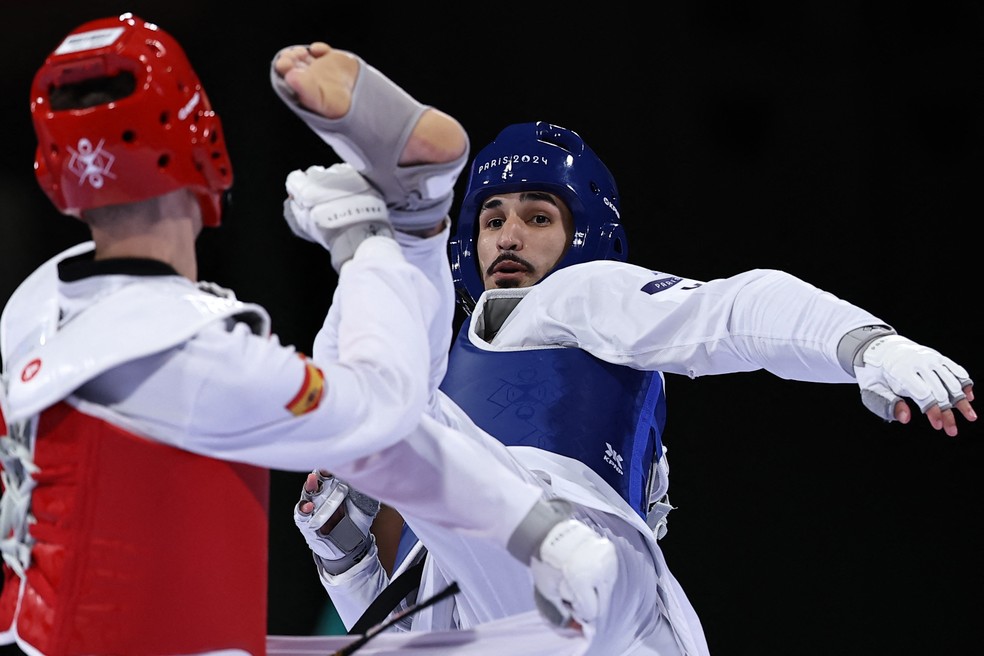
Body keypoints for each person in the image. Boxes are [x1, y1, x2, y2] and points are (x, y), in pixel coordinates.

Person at [270, 41, 976, 655]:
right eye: (491, 219)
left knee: (378, 400)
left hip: (579, 569)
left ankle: (389, 229)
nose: (508, 237)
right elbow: (417, 621)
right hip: (573, 624)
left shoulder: (574, 296)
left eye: (538, 216)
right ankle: (391, 233)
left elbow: (732, 310)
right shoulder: (459, 374)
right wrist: (348, 558)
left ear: (584, 239)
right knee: (387, 413)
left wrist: (863, 347)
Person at [0, 15, 614, 656]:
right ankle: (420, 214)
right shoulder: (191, 356)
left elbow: (372, 433)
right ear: (204, 144)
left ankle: (421, 212)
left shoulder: (38, 309)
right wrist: (366, 244)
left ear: (53, 177)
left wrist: (540, 535)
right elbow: (384, 409)